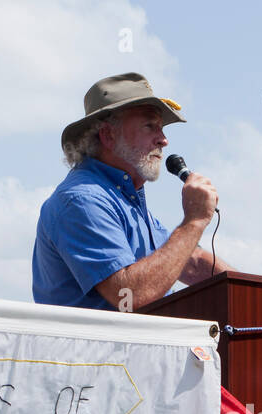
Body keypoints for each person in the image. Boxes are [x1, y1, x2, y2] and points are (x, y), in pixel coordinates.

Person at [32, 73, 233, 311]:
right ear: (108, 135)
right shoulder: (82, 200)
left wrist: (252, 295)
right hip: (102, 348)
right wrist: (195, 222)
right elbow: (129, 295)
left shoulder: (124, 199)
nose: (164, 140)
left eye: (161, 128)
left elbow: (192, 262)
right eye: (150, 126)